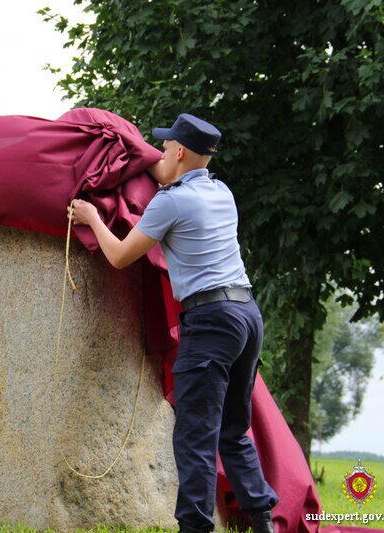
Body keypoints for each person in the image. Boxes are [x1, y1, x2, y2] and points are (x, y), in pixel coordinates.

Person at [69, 114, 278, 533]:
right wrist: (152, 158)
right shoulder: (222, 193)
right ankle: (263, 522)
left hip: (212, 321)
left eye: (165, 148)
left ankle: (194, 528)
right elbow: (168, 172)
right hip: (247, 316)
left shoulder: (171, 202)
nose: (159, 155)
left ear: (180, 151)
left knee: (195, 436)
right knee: (233, 431)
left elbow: (120, 256)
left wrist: (93, 218)